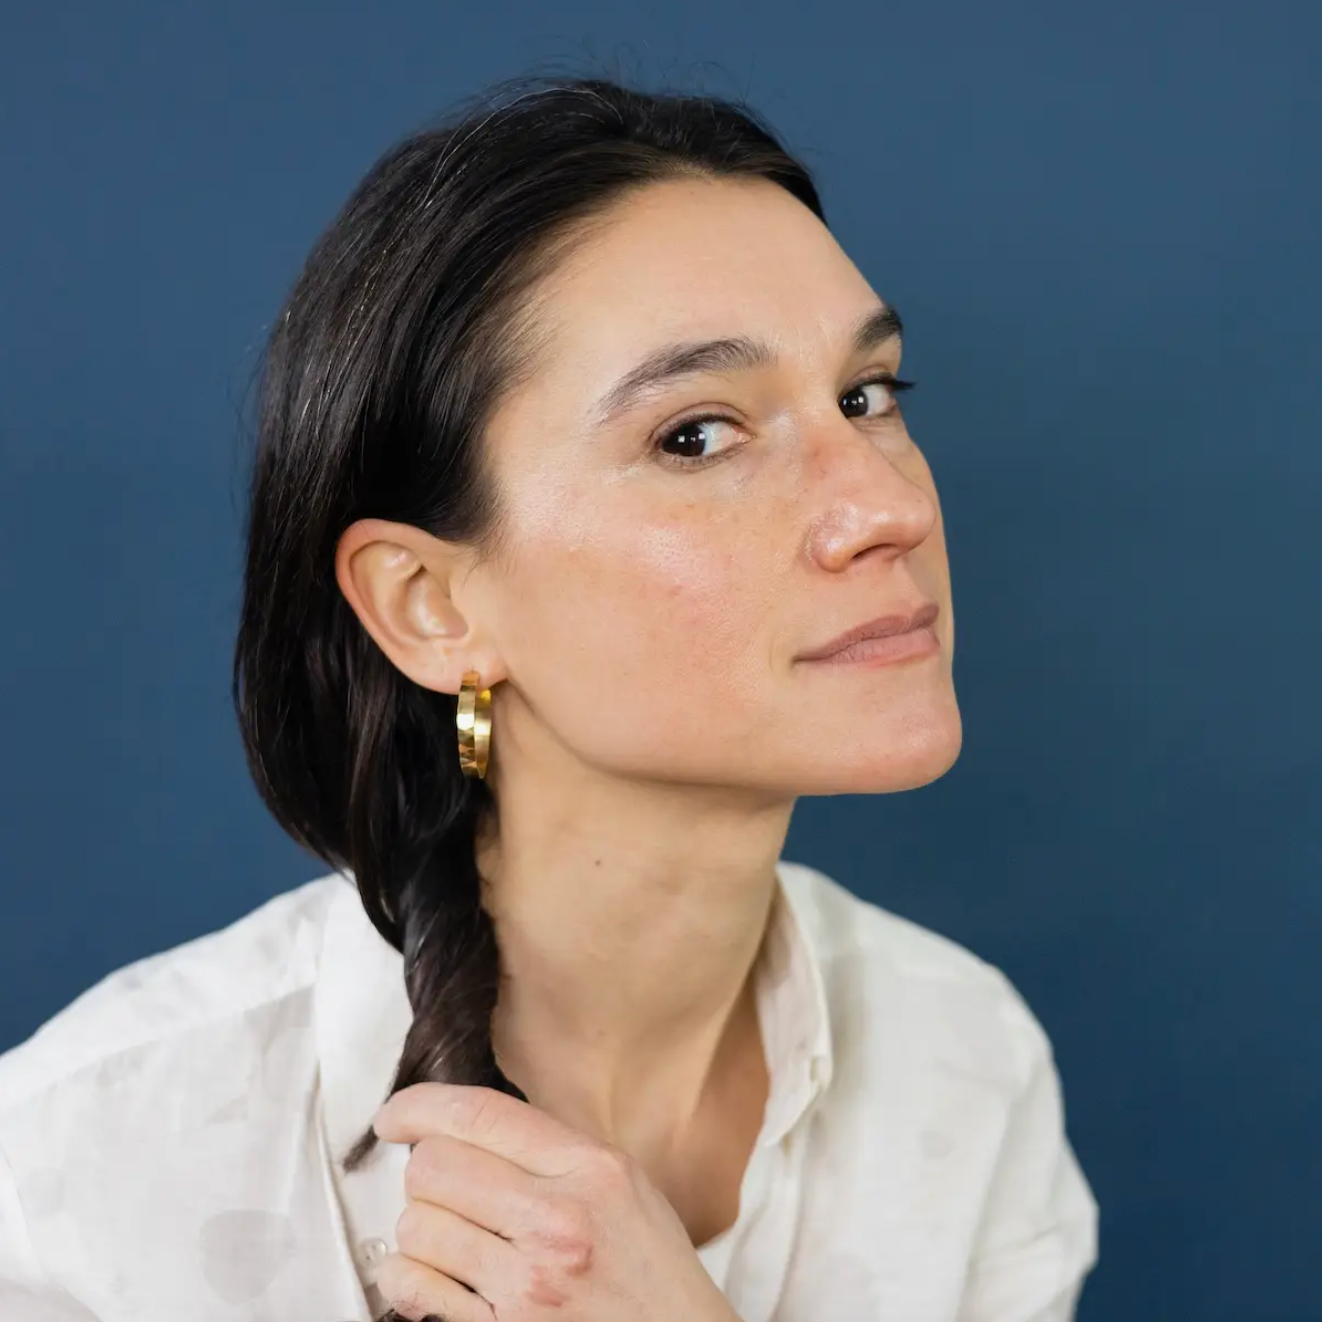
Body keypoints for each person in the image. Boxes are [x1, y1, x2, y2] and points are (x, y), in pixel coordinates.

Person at [0, 73, 1098, 1322]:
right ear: (427, 602)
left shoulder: (961, 1061)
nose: (888, 509)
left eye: (867, 396)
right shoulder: (81, 1172)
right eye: (695, 434)